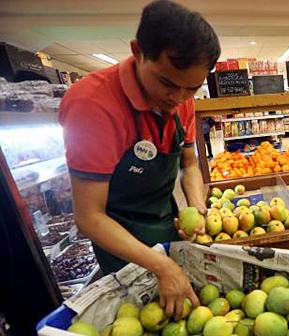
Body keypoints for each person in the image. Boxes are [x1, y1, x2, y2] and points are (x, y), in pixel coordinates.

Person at [59, 0, 221, 318]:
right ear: (137, 51)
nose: (178, 98)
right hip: (119, 239)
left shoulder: (182, 98)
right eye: (167, 83)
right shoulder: (91, 106)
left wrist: (196, 209)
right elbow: (89, 216)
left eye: (192, 88)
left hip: (165, 219)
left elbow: (189, 164)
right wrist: (159, 264)